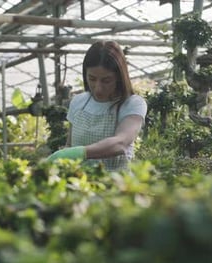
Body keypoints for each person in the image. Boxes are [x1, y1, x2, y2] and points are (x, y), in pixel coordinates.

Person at [47, 40, 147, 171]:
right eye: (92, 79)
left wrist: (78, 153)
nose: (98, 88)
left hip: (116, 186)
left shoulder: (132, 104)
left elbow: (120, 143)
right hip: (79, 185)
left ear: (119, 77)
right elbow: (70, 144)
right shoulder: (78, 102)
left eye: (106, 80)